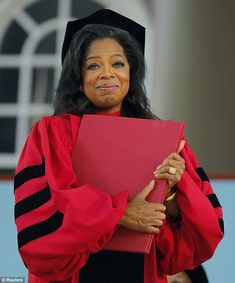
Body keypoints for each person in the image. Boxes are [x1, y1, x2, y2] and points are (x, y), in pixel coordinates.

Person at [14, 9, 224, 283]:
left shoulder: (165, 140)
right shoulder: (53, 133)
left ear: (131, 72)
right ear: (77, 77)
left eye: (118, 64)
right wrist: (121, 213)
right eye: (93, 65)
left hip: (140, 271)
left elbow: (196, 241)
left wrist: (173, 193)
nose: (106, 74)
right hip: (74, 273)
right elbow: (39, 233)